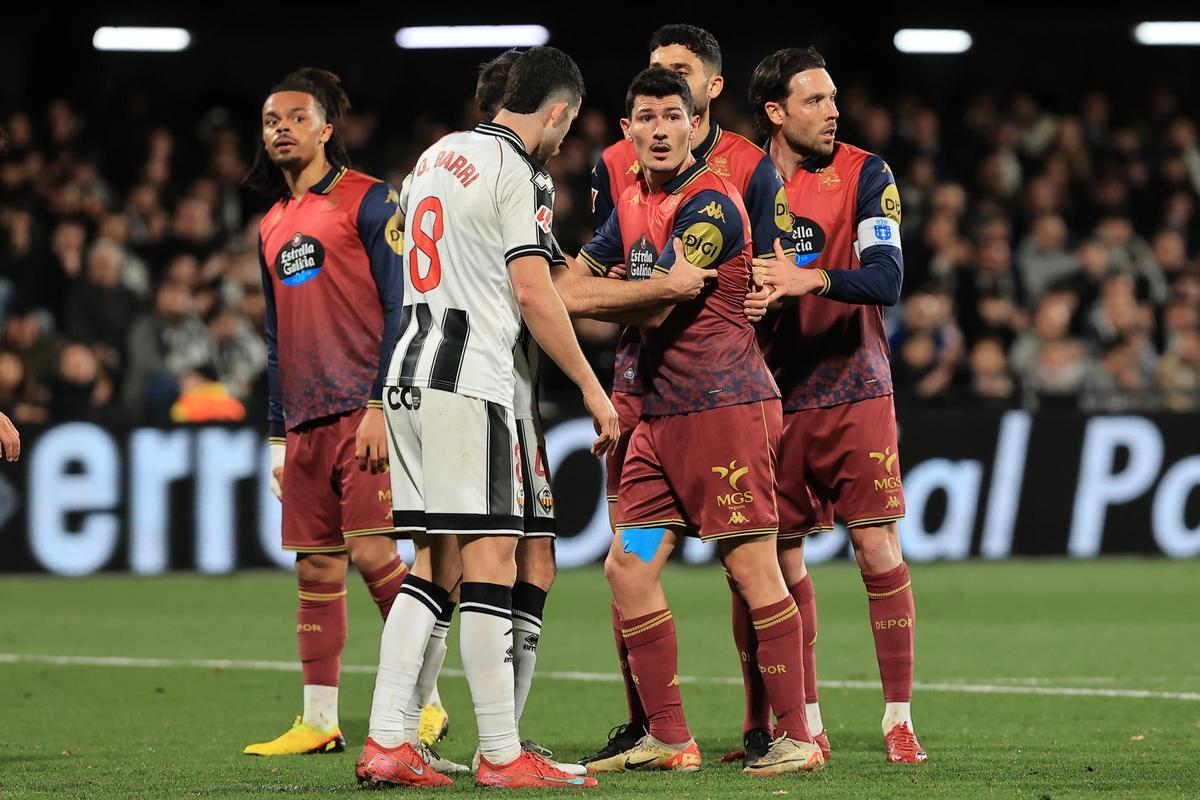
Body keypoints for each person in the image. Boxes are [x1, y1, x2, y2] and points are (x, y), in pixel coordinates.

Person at [357, 46, 616, 790]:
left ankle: (388, 742)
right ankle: (502, 754)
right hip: (470, 379)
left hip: (410, 371)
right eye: (567, 127)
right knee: (492, 559)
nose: (564, 144)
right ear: (558, 111)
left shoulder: (432, 158)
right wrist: (594, 392)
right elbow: (533, 294)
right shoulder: (519, 170)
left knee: (435, 562)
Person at [579, 67, 823, 778]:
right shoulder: (628, 201)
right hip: (658, 420)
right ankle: (669, 736)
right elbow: (571, 281)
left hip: (725, 412)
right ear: (626, 133)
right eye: (644, 117)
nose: (657, 129)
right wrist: (565, 288)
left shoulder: (711, 203)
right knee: (627, 567)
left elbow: (656, 306)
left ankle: (797, 735)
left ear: (694, 126)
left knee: (751, 564)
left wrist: (591, 293)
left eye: (670, 116)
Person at [240, 68, 441, 758]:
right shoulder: (270, 224)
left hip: (367, 410)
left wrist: (382, 402)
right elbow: (273, 339)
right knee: (315, 569)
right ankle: (320, 719)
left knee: (374, 552)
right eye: (271, 121)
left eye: (296, 118)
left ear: (327, 129)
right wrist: (274, 434)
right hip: (303, 419)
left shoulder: (370, 200)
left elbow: (400, 307)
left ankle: (426, 702)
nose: (282, 130)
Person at [748, 47, 926, 764]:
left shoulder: (866, 172)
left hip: (856, 387)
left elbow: (886, 278)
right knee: (781, 558)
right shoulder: (741, 180)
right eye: (815, 100)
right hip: (771, 397)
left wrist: (805, 280)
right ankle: (807, 722)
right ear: (775, 112)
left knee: (876, 545)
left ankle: (898, 720)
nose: (833, 111)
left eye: (833, 98)